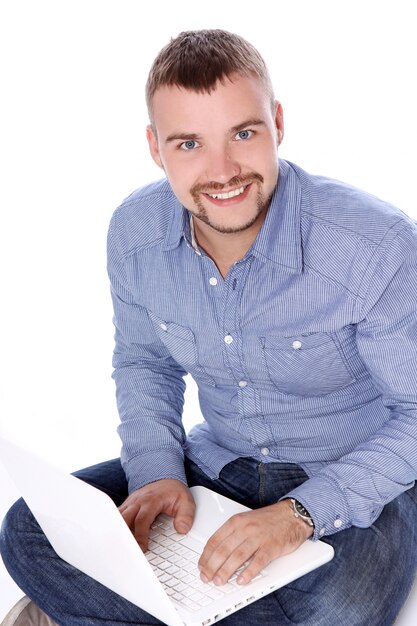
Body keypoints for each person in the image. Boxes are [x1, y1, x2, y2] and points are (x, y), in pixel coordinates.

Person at [1, 28, 417, 626]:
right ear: (155, 147)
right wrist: (159, 473)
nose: (222, 171)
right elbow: (146, 363)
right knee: (28, 529)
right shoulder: (136, 233)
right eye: (189, 143)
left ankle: (93, 612)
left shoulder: (373, 245)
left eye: (243, 134)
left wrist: (297, 515)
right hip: (215, 466)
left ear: (277, 122)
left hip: (348, 482)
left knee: (339, 609)